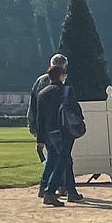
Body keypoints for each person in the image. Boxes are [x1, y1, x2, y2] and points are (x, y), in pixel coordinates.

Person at [33, 60, 84, 206]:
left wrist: (40, 139)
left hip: (49, 132)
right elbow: (75, 109)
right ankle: (50, 191)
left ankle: (69, 191)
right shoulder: (66, 90)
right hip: (64, 130)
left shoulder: (42, 93)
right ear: (61, 75)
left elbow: (40, 119)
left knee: (59, 159)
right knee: (63, 160)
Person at [27, 53, 72, 200]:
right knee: (62, 158)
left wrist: (34, 126)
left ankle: (46, 186)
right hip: (56, 127)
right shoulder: (60, 85)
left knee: (52, 157)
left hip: (43, 126)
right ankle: (58, 187)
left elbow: (34, 105)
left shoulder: (40, 82)